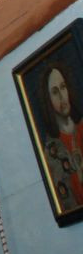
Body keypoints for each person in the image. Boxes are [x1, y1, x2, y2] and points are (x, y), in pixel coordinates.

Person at [40, 65, 83, 208]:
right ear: (48, 100)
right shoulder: (51, 150)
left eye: (63, 87)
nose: (62, 96)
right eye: (54, 92)